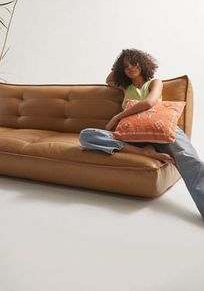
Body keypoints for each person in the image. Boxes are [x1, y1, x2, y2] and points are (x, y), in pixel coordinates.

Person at [79, 48, 204, 220]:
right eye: (126, 66)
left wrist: (118, 116)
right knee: (86, 135)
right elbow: (108, 80)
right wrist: (119, 62)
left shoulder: (154, 82)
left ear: (143, 64)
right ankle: (144, 151)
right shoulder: (125, 87)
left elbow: (149, 102)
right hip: (133, 135)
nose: (130, 67)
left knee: (191, 161)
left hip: (161, 129)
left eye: (134, 63)